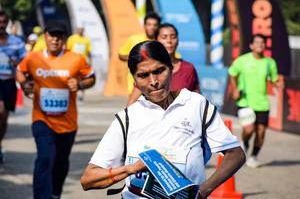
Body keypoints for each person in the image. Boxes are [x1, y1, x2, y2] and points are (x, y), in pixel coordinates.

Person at [81, 41, 245, 198]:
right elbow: (88, 179)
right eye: (143, 75)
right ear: (134, 80)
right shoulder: (127, 118)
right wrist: (131, 169)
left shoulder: (196, 104)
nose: (153, 82)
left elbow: (235, 154)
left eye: (159, 71)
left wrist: (202, 192)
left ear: (171, 68)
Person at [16, 20, 96, 199]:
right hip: (41, 119)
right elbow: (20, 71)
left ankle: (55, 193)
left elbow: (91, 77)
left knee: (60, 162)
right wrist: (24, 84)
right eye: (51, 35)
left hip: (67, 122)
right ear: (45, 37)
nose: (55, 40)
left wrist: (81, 83)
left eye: (59, 36)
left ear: (65, 39)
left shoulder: (76, 58)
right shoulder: (33, 57)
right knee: (45, 158)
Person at [228, 34, 283, 168]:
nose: (259, 44)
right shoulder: (242, 60)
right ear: (251, 45)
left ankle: (253, 157)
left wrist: (278, 84)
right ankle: (245, 143)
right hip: (244, 101)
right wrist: (235, 89)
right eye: (257, 42)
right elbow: (232, 73)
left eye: (262, 42)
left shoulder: (270, 62)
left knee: (261, 133)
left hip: (262, 103)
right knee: (249, 129)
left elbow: (274, 79)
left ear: (265, 46)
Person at [127, 23, 200, 105]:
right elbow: (131, 105)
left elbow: (196, 97)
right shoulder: (146, 69)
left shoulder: (188, 68)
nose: (169, 41)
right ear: (156, 40)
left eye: (173, 37)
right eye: (164, 37)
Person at [0, 10, 27, 163]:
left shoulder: (16, 41)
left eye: (4, 23)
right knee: (0, 110)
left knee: (4, 118)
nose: (1, 26)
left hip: (9, 82)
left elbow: (26, 61)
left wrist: (15, 62)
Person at [119, 12, 161, 94]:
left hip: (156, 86)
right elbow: (121, 55)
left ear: (158, 26)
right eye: (149, 24)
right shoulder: (133, 39)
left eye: (154, 25)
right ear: (144, 25)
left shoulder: (161, 42)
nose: (152, 27)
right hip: (135, 86)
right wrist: (136, 57)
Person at [67, 26, 92, 101]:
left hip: (83, 62)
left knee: (83, 78)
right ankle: (74, 92)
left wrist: (90, 61)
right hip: (72, 61)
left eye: (81, 29)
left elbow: (89, 51)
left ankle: (81, 93)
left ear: (83, 30)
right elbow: (68, 50)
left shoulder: (86, 39)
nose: (80, 31)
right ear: (76, 30)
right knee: (73, 77)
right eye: (79, 29)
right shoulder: (72, 38)